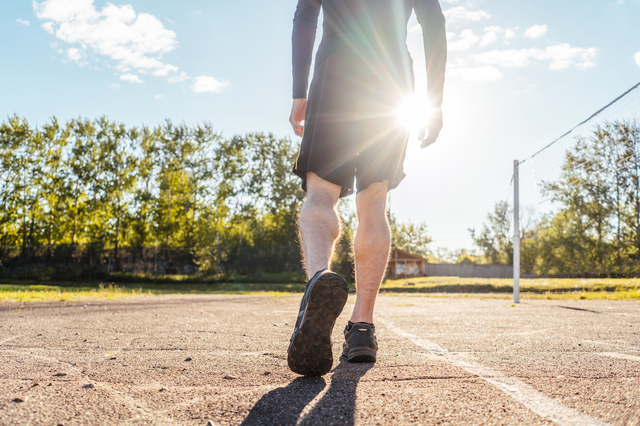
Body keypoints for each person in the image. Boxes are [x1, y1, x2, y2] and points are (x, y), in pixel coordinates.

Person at [287, 0, 447, 377]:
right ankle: (362, 328)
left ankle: (317, 284)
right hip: (390, 77)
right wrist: (434, 102)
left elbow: (305, 16)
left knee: (320, 194)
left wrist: (299, 89)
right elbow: (433, 21)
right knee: (373, 202)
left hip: (336, 65)